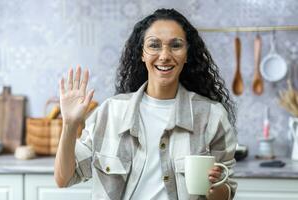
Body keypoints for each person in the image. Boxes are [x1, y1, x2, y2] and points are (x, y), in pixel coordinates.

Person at [54, 8, 237, 200]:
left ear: (187, 55)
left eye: (176, 45)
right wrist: (69, 124)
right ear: (142, 53)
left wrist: (213, 187)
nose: (165, 55)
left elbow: (226, 192)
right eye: (154, 45)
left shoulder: (212, 116)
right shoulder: (111, 112)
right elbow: (64, 178)